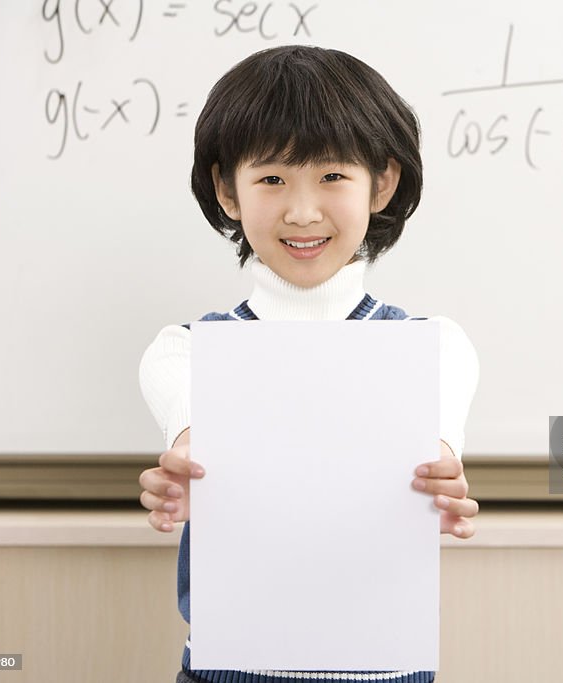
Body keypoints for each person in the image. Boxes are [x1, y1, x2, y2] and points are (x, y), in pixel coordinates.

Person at [136, 45, 480, 683]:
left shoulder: (435, 347)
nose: (301, 211)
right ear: (225, 190)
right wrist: (187, 473)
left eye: (331, 176)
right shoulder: (185, 350)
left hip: (387, 670)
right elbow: (193, 435)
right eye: (271, 179)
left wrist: (442, 485)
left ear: (383, 183)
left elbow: (436, 455)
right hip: (226, 672)